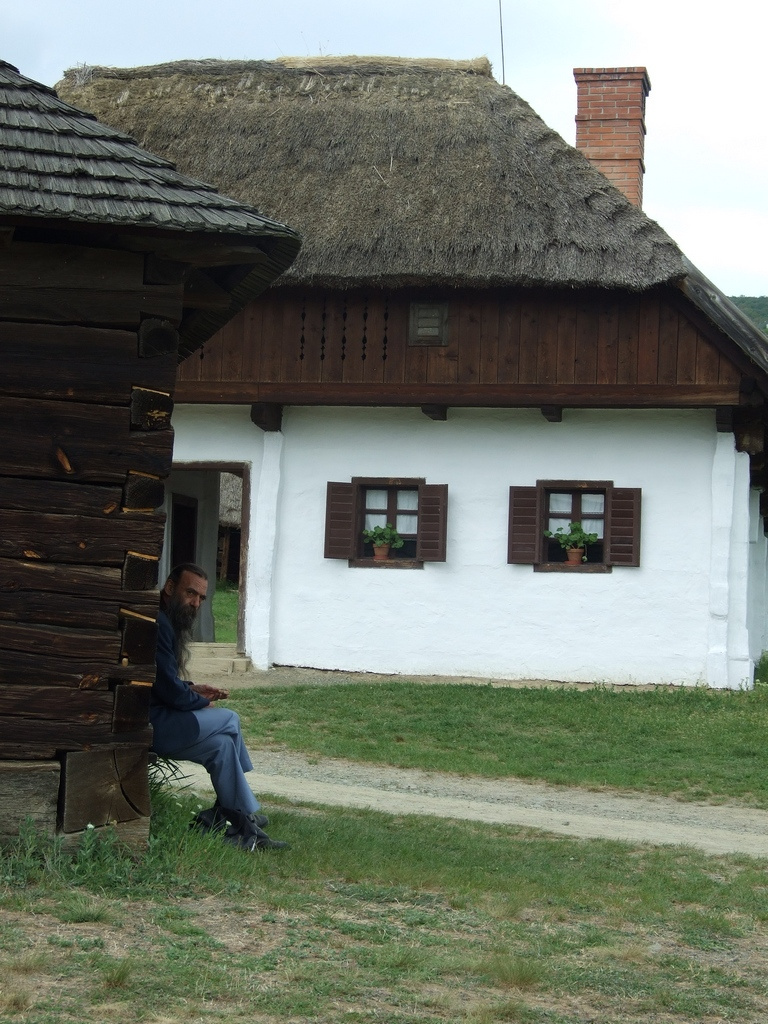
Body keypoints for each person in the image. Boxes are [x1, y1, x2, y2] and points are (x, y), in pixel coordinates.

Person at [151, 563, 289, 851]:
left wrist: (191, 688)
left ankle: (234, 824)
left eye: (201, 598)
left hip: (157, 718)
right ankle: (242, 818)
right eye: (190, 593)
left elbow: (163, 684)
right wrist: (202, 701)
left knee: (222, 747)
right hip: (150, 723)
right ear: (169, 588)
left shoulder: (165, 621)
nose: (196, 603)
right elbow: (167, 691)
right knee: (229, 720)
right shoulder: (159, 624)